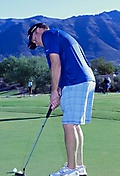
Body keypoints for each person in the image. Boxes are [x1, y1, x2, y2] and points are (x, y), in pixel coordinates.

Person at [27, 23, 96, 176]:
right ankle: (78, 167)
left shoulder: (48, 35)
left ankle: (71, 169)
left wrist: (53, 91)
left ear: (38, 30)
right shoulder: (60, 35)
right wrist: (58, 90)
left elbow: (56, 64)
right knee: (74, 125)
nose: (36, 44)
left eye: (33, 39)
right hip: (84, 80)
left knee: (68, 125)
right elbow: (66, 63)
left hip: (76, 81)